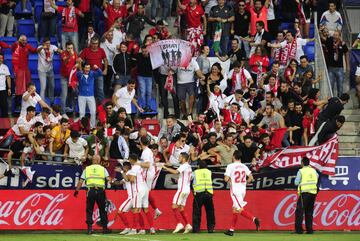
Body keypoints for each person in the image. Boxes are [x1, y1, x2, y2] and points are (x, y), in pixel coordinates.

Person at [224, 150, 260, 236]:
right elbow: (251, 178)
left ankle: (254, 219)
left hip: (235, 191)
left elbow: (225, 179)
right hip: (243, 190)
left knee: (240, 209)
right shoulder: (244, 166)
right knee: (235, 210)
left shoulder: (230, 166)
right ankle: (231, 230)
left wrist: (229, 180)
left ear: (233, 156)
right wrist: (245, 182)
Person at [74, 155, 112, 235]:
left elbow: (81, 181)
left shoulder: (87, 169)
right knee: (103, 210)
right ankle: (104, 229)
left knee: (89, 210)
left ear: (92, 160)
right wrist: (114, 183)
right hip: (100, 191)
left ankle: (89, 229)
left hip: (90, 191)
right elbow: (109, 179)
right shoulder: (103, 169)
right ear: (99, 161)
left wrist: (77, 191)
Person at [162, 152, 193, 234]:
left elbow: (176, 172)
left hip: (182, 190)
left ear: (183, 158)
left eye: (179, 157)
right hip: (187, 189)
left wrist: (164, 167)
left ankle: (179, 223)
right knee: (181, 208)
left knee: (174, 206)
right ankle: (188, 224)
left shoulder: (184, 166)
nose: (178, 158)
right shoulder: (189, 166)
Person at [294, 157, 319, 234]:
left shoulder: (301, 171)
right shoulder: (314, 170)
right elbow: (317, 177)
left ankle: (299, 230)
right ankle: (309, 230)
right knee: (309, 212)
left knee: (299, 211)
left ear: (302, 163)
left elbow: (296, 182)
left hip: (304, 192)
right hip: (313, 192)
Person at [192, 160, 215, 233]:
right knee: (210, 212)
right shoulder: (209, 172)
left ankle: (196, 229)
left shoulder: (195, 172)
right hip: (208, 193)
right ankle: (211, 229)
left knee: (197, 212)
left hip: (199, 193)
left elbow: (189, 179)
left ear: (198, 166)